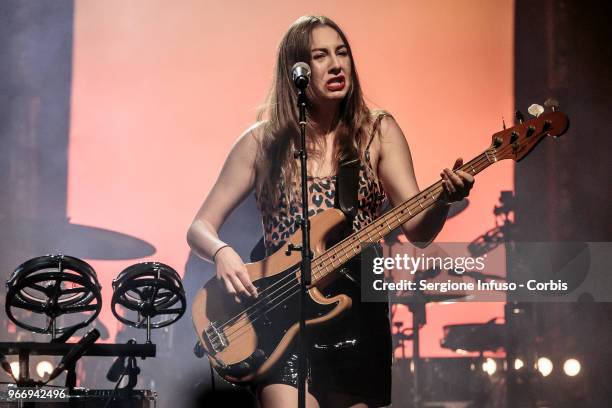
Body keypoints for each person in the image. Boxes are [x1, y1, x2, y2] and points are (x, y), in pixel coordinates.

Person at [187, 15, 474, 408]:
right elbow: (200, 226)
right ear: (296, 71)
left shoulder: (377, 132)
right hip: (279, 314)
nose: (337, 65)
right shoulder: (262, 143)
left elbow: (418, 233)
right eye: (320, 56)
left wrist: (443, 199)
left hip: (357, 309)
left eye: (342, 53)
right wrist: (222, 252)